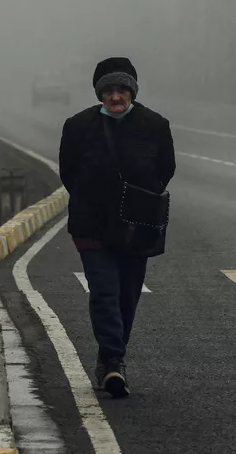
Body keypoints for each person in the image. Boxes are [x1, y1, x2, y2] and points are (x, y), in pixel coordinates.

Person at [59, 57, 176, 398]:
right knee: (104, 292)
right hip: (91, 224)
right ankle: (113, 360)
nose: (115, 96)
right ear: (100, 94)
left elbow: (165, 169)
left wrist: (139, 199)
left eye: (122, 90)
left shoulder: (155, 125)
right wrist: (92, 198)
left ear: (132, 92)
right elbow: (68, 172)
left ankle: (110, 357)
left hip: (137, 226)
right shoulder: (78, 126)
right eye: (108, 90)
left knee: (127, 295)